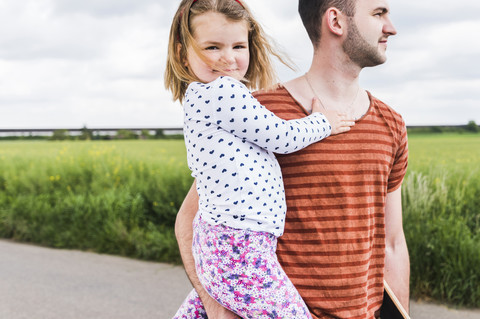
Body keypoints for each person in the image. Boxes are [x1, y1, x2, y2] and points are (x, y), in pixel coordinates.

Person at [175, 0, 410, 318]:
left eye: (237, 46)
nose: (391, 27)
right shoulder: (258, 112)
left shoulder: (390, 124)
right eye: (379, 13)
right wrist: (217, 310)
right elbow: (195, 221)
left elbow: (393, 243)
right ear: (336, 21)